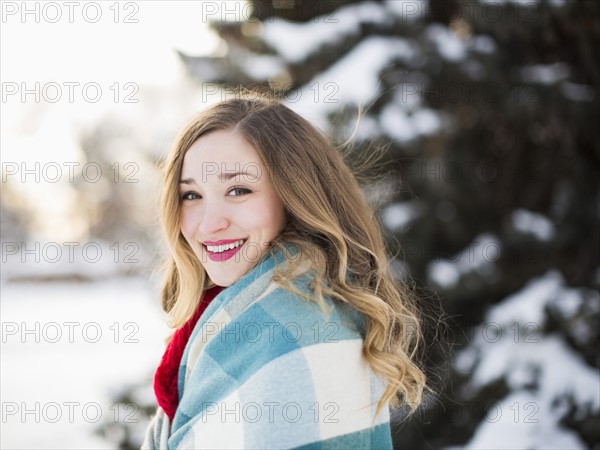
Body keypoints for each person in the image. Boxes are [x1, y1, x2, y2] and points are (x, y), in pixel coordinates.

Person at [143, 94, 426, 449]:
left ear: (294, 195)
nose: (210, 224)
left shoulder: (297, 327)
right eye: (191, 196)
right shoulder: (230, 313)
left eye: (238, 190)